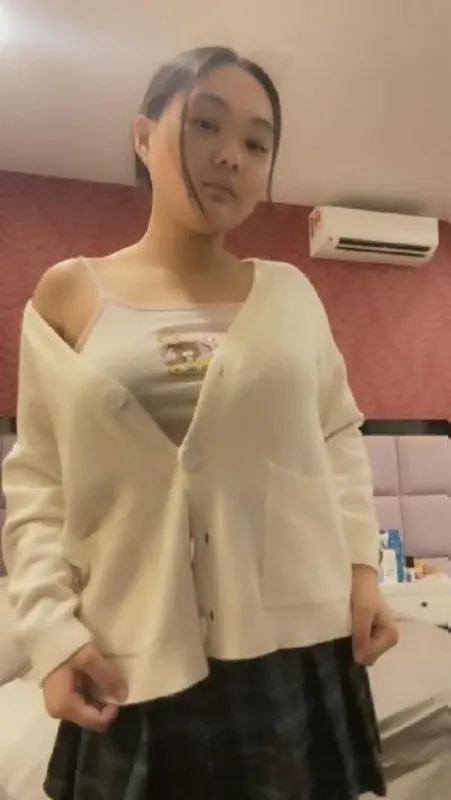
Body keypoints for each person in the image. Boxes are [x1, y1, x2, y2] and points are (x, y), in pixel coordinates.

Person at [2, 46, 398, 800]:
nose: (231, 156)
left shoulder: (292, 296)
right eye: (206, 125)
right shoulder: (69, 294)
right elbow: (38, 483)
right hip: (129, 646)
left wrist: (361, 571)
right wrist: (50, 635)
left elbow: (337, 436)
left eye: (257, 143)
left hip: (294, 648)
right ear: (143, 136)